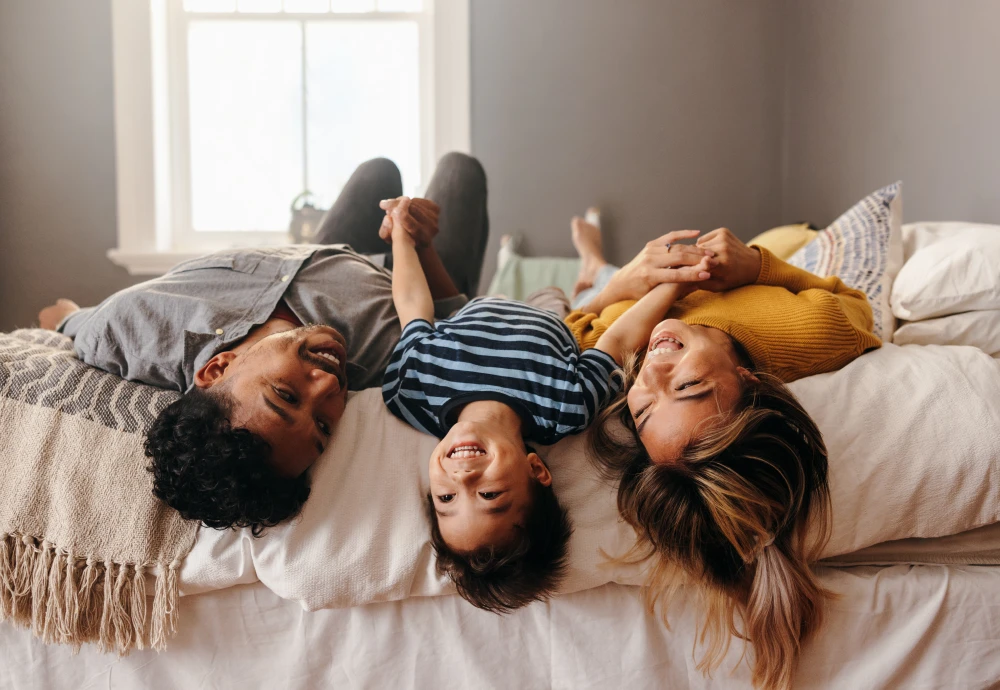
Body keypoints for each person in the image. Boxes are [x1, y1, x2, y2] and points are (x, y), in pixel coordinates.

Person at [36, 154, 490, 536]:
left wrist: (64, 315)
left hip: (321, 255)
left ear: (217, 369)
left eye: (286, 395)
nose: (328, 386)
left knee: (378, 172)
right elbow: (448, 313)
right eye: (324, 427)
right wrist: (420, 244)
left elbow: (70, 321)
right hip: (407, 278)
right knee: (460, 170)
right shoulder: (389, 351)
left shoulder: (131, 326)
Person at [564, 216, 881, 690]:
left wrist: (620, 286)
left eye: (645, 410)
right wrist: (756, 265)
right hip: (741, 261)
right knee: (793, 234)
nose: (651, 373)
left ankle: (595, 265)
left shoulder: (614, 359)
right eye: (688, 386)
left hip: (626, 286)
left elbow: (575, 326)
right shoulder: (811, 332)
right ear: (749, 383)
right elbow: (857, 304)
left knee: (588, 284)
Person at [380, 200, 714, 612]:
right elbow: (616, 341)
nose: (462, 478)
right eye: (488, 493)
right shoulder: (565, 407)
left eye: (445, 500)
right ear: (537, 469)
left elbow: (414, 306)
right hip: (551, 316)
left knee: (474, 297)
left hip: (475, 307)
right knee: (579, 305)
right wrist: (678, 283)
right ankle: (589, 270)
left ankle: (582, 267)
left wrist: (401, 235)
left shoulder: (411, 389)